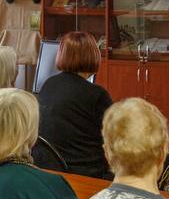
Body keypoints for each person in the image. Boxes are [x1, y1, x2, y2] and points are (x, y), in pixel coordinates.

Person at [36, 31, 113, 179]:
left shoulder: (48, 85)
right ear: (93, 55)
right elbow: (117, 139)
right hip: (89, 175)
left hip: (50, 171)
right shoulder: (97, 95)